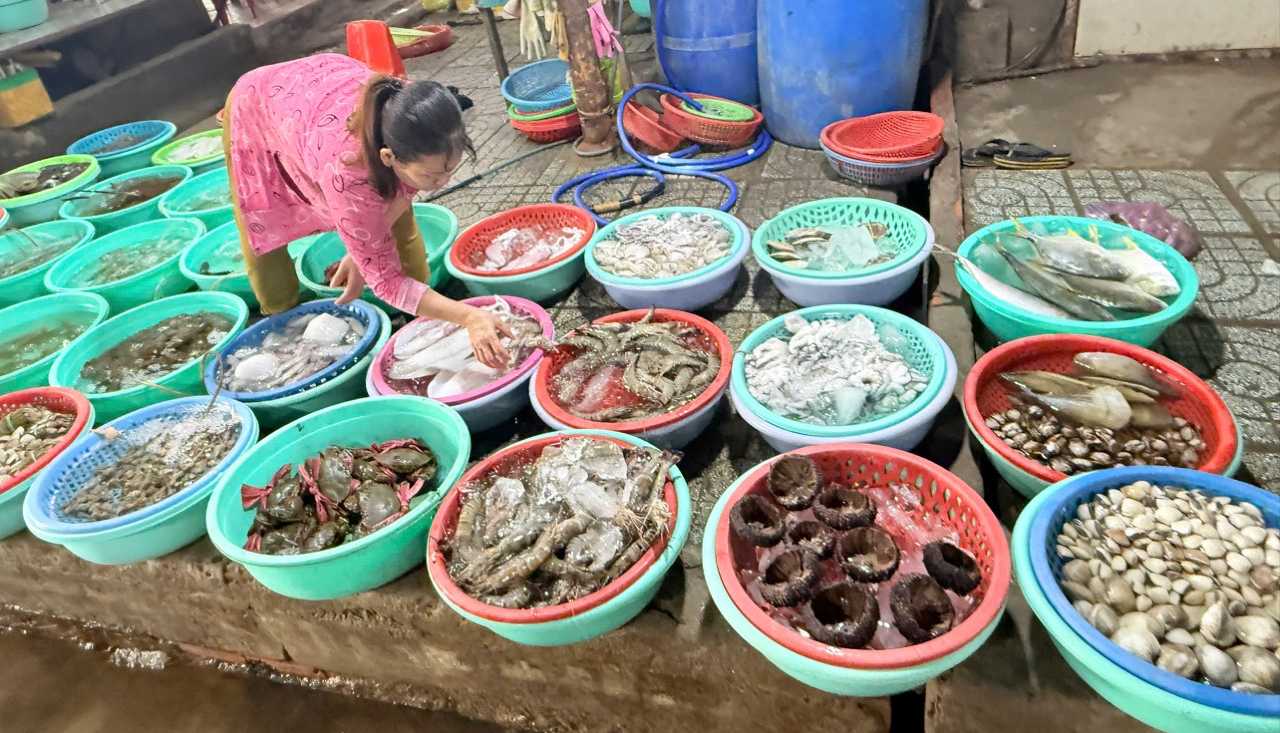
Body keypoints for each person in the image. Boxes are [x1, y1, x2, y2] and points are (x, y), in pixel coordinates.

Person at [222, 53, 510, 367]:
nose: (443, 183)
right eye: (431, 175)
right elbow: (386, 282)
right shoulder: (348, 175)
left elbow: (403, 193)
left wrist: (363, 249)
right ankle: (280, 316)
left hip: (322, 84)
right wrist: (469, 316)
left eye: (450, 169)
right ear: (389, 157)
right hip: (259, 102)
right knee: (264, 219)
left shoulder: (417, 114)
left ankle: (420, 312)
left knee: (395, 222)